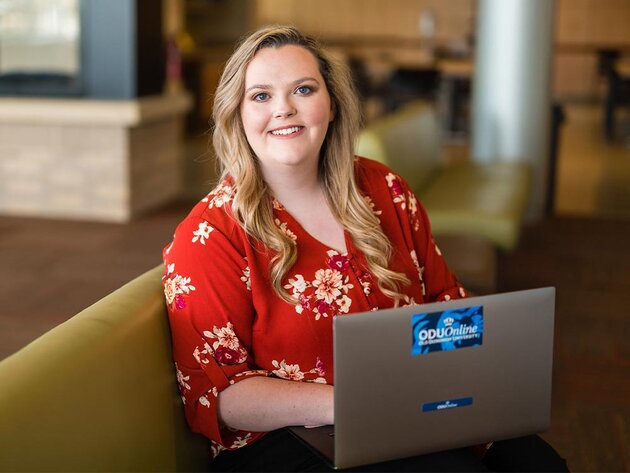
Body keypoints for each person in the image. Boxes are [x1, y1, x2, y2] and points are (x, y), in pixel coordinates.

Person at [162, 25, 568, 472]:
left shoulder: (384, 190)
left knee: (541, 465)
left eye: (303, 89)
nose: (283, 109)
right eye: (260, 96)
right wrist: (354, 404)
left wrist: (470, 377)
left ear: (331, 105)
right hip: (292, 438)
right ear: (236, 114)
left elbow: (443, 303)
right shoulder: (211, 234)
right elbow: (219, 396)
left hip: (412, 406)